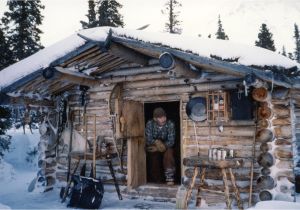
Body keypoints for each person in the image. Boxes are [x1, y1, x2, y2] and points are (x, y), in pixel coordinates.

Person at [145, 107, 176, 185]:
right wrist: (156, 142)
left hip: (166, 145)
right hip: (154, 145)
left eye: (164, 116)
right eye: (160, 117)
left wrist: (162, 147)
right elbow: (148, 138)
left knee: (169, 154)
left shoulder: (170, 124)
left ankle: (170, 178)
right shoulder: (150, 123)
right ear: (155, 119)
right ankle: (156, 179)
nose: (163, 119)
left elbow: (171, 141)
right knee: (153, 157)